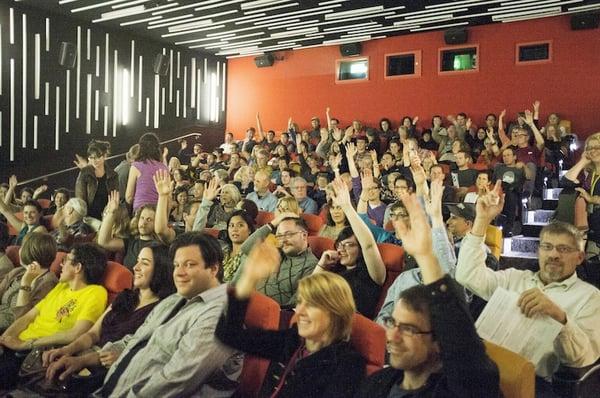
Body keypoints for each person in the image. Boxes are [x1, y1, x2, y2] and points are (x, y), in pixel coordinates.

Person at [355, 190, 500, 398]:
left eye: (408, 329)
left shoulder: (461, 388)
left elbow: (459, 331)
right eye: (392, 323)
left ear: (440, 341)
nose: (392, 336)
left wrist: (426, 256)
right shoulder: (377, 383)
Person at [455, 181, 600, 386]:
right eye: (547, 247)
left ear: (579, 257)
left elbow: (582, 359)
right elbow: (467, 275)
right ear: (538, 251)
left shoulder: (590, 297)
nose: (554, 255)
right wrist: (482, 220)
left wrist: (558, 317)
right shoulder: (515, 279)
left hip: (537, 385)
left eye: (563, 249)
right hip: (486, 375)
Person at [92, 232, 243, 397]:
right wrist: (109, 351)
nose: (179, 272)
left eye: (189, 265)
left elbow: (176, 381)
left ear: (213, 269)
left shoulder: (221, 316)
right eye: (177, 265)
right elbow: (139, 337)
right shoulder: (175, 299)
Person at [217, 241, 365, 397]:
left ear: (335, 312)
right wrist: (250, 278)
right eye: (300, 302)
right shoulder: (295, 339)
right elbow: (230, 335)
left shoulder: (347, 363)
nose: (299, 311)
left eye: (312, 305)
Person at [41, 244, 175, 392]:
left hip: (109, 369)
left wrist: (80, 361)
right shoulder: (125, 296)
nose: (135, 267)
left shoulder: (162, 310)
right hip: (87, 354)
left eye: (144, 263)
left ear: (161, 270)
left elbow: (120, 354)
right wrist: (67, 349)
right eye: (137, 261)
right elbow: (93, 334)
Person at [0, 243, 107, 389]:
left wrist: (25, 344)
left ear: (78, 267)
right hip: (15, 346)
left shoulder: (96, 293)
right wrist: (4, 339)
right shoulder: (61, 286)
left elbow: (76, 333)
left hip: (34, 354)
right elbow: (28, 317)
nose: (61, 264)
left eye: (66, 260)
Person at [315, 178, 386, 319]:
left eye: (349, 245)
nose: (342, 249)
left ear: (360, 250)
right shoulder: (335, 269)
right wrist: (321, 265)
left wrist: (347, 207)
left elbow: (369, 245)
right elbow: (309, 291)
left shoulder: (372, 274)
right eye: (340, 245)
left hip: (350, 324)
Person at [234, 214, 317, 307]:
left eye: (288, 234)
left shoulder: (312, 265)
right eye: (280, 236)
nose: (283, 240)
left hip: (266, 314)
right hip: (243, 304)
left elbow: (293, 305)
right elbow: (246, 248)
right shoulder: (275, 252)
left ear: (304, 235)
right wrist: (273, 223)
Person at [0, 233, 58, 333]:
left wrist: (25, 283)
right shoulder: (18, 272)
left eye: (23, 247)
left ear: (31, 252)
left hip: (11, 329)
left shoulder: (48, 283)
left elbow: (22, 320)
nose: (19, 250)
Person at [562, 132, 600, 258]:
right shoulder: (590, 174)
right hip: (594, 229)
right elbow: (566, 181)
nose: (593, 151)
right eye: (590, 148)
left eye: (597, 147)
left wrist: (593, 199)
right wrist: (583, 161)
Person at [97, 191, 158, 269]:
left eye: (149, 220)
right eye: (142, 218)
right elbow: (104, 242)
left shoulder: (159, 246)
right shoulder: (131, 242)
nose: (144, 222)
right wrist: (111, 213)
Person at [75, 140, 118, 220]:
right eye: (91, 157)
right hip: (89, 217)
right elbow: (80, 199)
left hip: (107, 215)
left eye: (98, 157)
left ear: (105, 156)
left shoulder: (113, 175)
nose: (94, 160)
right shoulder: (84, 173)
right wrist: (84, 217)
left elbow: (115, 199)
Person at [126, 133, 169, 212]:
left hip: (140, 211)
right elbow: (168, 197)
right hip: (159, 211)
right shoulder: (164, 168)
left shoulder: (135, 166)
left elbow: (129, 197)